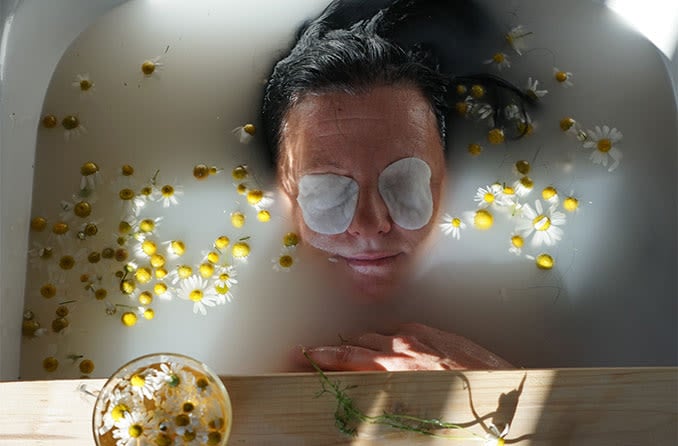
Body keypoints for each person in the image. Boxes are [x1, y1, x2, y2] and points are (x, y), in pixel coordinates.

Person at [262, 0, 524, 371]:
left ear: (444, 182)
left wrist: (493, 387)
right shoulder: (249, 309)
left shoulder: (523, 292)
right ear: (283, 195)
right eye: (328, 189)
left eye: (403, 182)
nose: (370, 225)